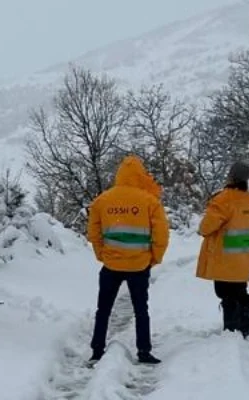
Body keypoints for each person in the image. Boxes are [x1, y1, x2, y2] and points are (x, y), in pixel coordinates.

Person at [87, 155, 169, 365]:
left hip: (111, 265)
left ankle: (97, 350)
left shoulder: (103, 200)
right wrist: (154, 258)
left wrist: (101, 255)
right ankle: (144, 351)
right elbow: (161, 234)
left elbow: (93, 232)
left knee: (103, 310)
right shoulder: (149, 200)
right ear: (139, 174)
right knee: (141, 310)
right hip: (139, 265)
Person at [195, 161, 249, 339]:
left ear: (231, 176)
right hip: (244, 256)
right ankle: (244, 328)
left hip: (224, 258)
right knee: (240, 292)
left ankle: (231, 330)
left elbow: (208, 226)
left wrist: (201, 230)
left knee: (225, 294)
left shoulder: (224, 199)